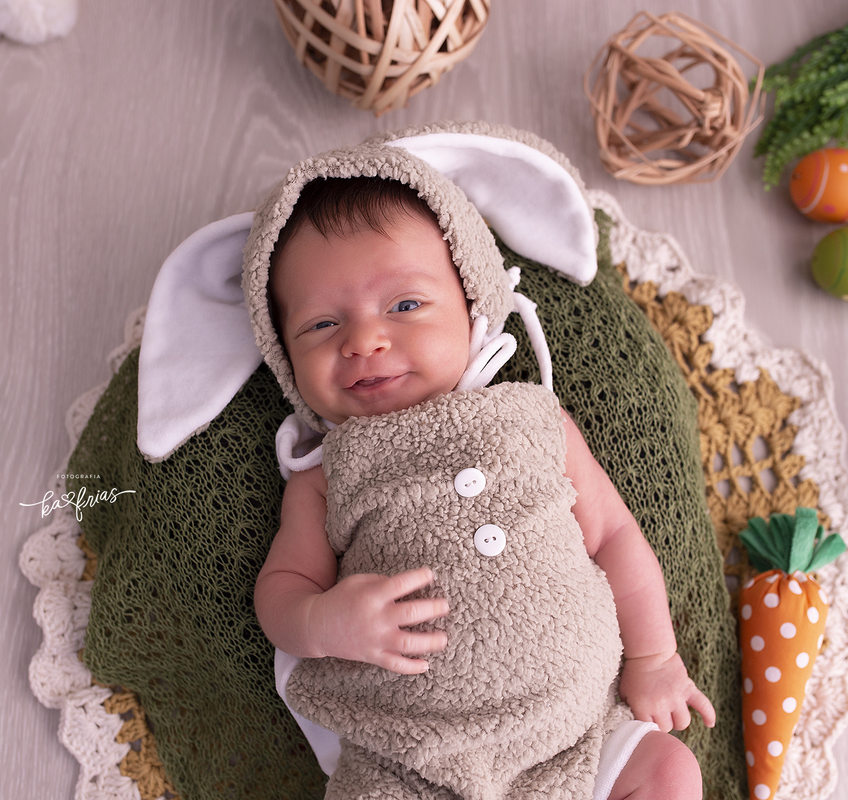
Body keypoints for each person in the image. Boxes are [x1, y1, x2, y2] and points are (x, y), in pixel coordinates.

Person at [248, 165, 714, 800]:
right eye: (322, 325)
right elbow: (281, 592)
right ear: (286, 359)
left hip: (576, 734)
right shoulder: (327, 473)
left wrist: (655, 659)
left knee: (668, 772)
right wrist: (324, 622)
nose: (365, 340)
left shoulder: (534, 419)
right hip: (411, 761)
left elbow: (612, 535)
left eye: (405, 305)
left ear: (474, 305)